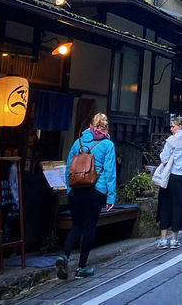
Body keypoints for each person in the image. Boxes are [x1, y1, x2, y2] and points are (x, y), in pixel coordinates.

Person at [55, 113, 117, 280]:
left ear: (91, 124)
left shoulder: (78, 142)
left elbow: (69, 166)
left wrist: (69, 188)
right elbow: (110, 172)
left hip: (76, 190)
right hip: (96, 190)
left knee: (76, 226)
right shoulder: (107, 145)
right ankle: (81, 267)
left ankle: (65, 256)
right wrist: (111, 197)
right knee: (89, 227)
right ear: (105, 127)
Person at [154, 116, 182, 250]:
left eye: (173, 126)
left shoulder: (171, 141)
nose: (171, 128)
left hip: (171, 177)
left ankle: (163, 239)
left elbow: (164, 158)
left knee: (165, 205)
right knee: (179, 206)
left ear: (179, 127)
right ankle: (174, 239)